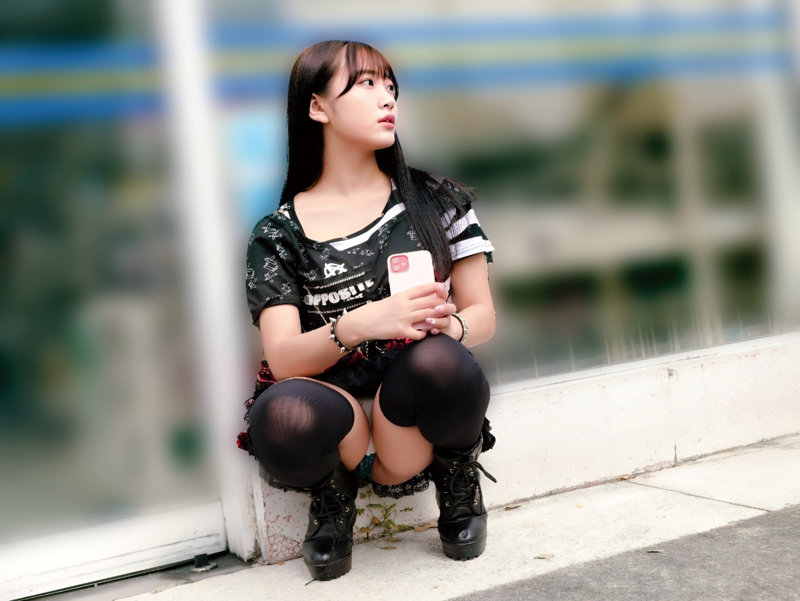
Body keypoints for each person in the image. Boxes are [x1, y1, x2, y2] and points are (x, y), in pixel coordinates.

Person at [237, 40, 497, 581]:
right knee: (280, 412)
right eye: (366, 84)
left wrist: (448, 325)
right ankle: (333, 493)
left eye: (390, 86)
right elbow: (283, 359)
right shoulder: (278, 235)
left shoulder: (436, 201)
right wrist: (361, 323)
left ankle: (454, 471)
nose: (387, 98)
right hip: (340, 417)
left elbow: (483, 316)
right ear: (317, 107)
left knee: (441, 359)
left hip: (410, 415)